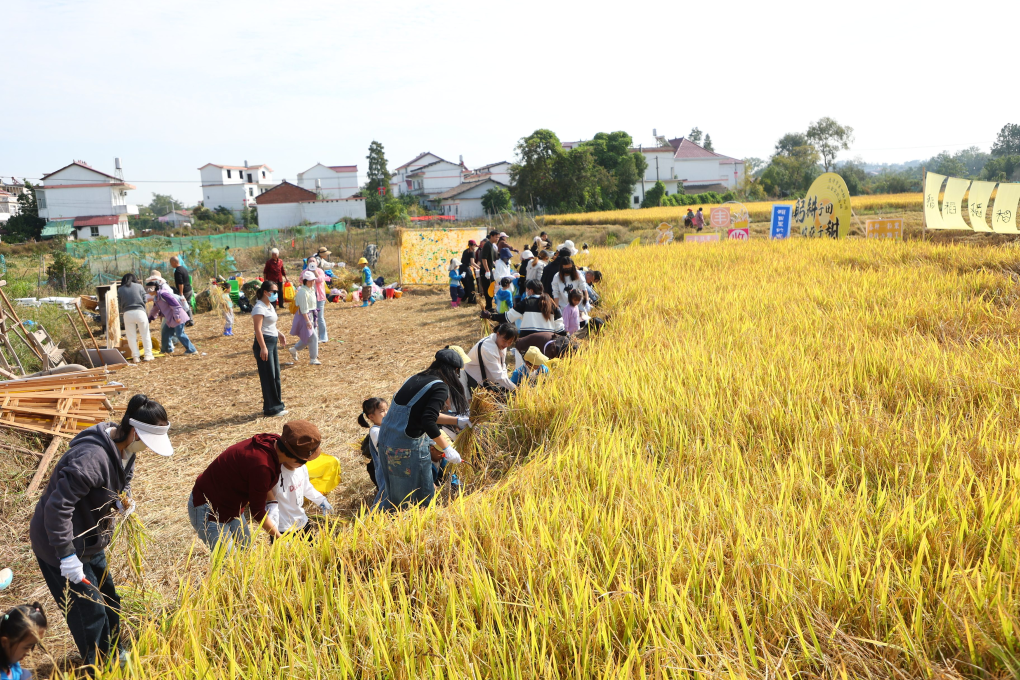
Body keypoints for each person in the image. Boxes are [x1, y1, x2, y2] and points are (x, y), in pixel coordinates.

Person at [30, 394, 173, 670]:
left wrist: (123, 499)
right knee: (89, 611)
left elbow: (124, 478)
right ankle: (99, 668)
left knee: (108, 599)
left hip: (91, 539)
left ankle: (114, 651)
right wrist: (66, 557)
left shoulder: (125, 449)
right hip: (59, 543)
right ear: (134, 432)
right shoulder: (90, 459)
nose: (148, 450)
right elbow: (57, 509)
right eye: (148, 442)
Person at [188, 420, 322, 550]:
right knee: (229, 562)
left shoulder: (274, 443)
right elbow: (257, 511)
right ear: (293, 457)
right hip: (208, 509)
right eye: (303, 462)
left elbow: (265, 480)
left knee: (246, 550)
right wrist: (280, 538)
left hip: (233, 506)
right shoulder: (261, 466)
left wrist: (272, 501)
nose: (301, 466)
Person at [376, 350, 469, 511]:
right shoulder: (440, 387)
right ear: (452, 371)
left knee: (393, 493)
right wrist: (447, 448)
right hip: (405, 448)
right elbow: (428, 421)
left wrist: (458, 420)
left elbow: (419, 415)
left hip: (386, 442)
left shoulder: (415, 379)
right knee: (414, 500)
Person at [265, 460, 333, 535]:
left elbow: (307, 488)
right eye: (297, 460)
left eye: (304, 460)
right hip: (282, 527)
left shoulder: (302, 468)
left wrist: (322, 501)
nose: (301, 463)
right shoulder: (275, 473)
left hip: (302, 521)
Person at [252, 280, 288, 418]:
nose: (276, 294)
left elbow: (270, 325)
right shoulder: (259, 308)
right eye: (274, 292)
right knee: (268, 376)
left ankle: (278, 405)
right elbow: (258, 329)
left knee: (275, 375)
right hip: (265, 343)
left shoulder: (270, 306)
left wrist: (279, 334)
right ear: (266, 292)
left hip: (272, 341)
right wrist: (263, 347)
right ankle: (271, 409)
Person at [487, 279, 563, 336]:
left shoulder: (525, 303)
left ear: (531, 291)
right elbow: (560, 329)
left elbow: (508, 317)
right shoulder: (552, 304)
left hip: (527, 339)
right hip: (547, 341)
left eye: (526, 289)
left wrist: (490, 315)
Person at [146, 272, 197, 355]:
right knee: (165, 332)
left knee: (180, 334)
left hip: (177, 317)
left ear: (154, 289)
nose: (148, 292)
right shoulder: (156, 297)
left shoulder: (163, 294)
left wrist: (177, 317)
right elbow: (155, 308)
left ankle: (192, 350)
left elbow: (175, 305)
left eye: (149, 289)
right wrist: (150, 318)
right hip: (170, 318)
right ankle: (166, 350)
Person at [464, 323, 519, 393]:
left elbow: (502, 366)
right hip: (474, 380)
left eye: (510, 342)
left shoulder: (500, 344)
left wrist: (508, 385)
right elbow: (498, 375)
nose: (506, 345)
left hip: (487, 380)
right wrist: (514, 388)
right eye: (505, 341)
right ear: (498, 334)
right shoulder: (488, 348)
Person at [1, 602, 47, 680]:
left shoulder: (14, 668)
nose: (28, 653)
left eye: (32, 646)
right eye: (26, 647)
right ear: (5, 642)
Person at [358, 398, 388, 502]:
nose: (386, 413)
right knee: (386, 493)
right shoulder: (375, 431)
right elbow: (384, 450)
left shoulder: (385, 427)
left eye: (386, 409)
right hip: (385, 469)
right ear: (371, 417)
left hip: (391, 466)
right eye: (382, 411)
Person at [117, 273, 152, 363]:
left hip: (127, 313)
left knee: (131, 336)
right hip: (140, 312)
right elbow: (145, 299)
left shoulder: (120, 289)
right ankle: (148, 355)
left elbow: (119, 303)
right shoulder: (139, 286)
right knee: (145, 334)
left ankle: (135, 357)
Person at [289, 270, 320, 366]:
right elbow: (303, 309)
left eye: (313, 280)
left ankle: (294, 349)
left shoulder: (311, 290)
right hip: (304, 316)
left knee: (309, 336)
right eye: (310, 280)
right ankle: (313, 358)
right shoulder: (302, 292)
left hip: (311, 315)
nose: (313, 282)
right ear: (305, 281)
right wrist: (307, 321)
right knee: (313, 337)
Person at [307, 260, 329, 343]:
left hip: (319, 296)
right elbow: (301, 280)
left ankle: (323, 337)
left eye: (313, 261)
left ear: (317, 263)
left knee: (320, 317)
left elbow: (320, 280)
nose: (312, 262)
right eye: (310, 261)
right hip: (309, 297)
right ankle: (314, 337)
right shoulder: (305, 272)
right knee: (311, 317)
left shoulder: (320, 271)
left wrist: (315, 271)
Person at [478, 230, 500, 311]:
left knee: (491, 288)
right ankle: (488, 306)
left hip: (489, 269)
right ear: (491, 236)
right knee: (488, 288)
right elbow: (484, 259)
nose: (497, 238)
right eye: (496, 237)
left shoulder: (491, 245)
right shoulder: (487, 245)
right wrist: (487, 271)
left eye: (498, 237)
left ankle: (489, 305)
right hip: (485, 271)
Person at [169, 256, 194, 322]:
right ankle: (190, 320)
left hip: (184, 291)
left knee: (183, 306)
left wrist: (181, 293)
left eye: (171, 263)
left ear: (174, 262)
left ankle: (187, 320)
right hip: (189, 290)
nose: (171, 265)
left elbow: (180, 283)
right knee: (187, 305)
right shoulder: (183, 269)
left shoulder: (178, 271)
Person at [459, 240, 479, 305]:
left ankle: (463, 298)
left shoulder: (465, 251)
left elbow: (466, 261)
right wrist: (479, 267)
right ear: (472, 245)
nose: (475, 246)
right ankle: (472, 300)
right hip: (466, 270)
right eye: (475, 245)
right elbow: (472, 263)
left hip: (461, 269)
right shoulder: (471, 252)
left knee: (466, 285)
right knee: (471, 285)